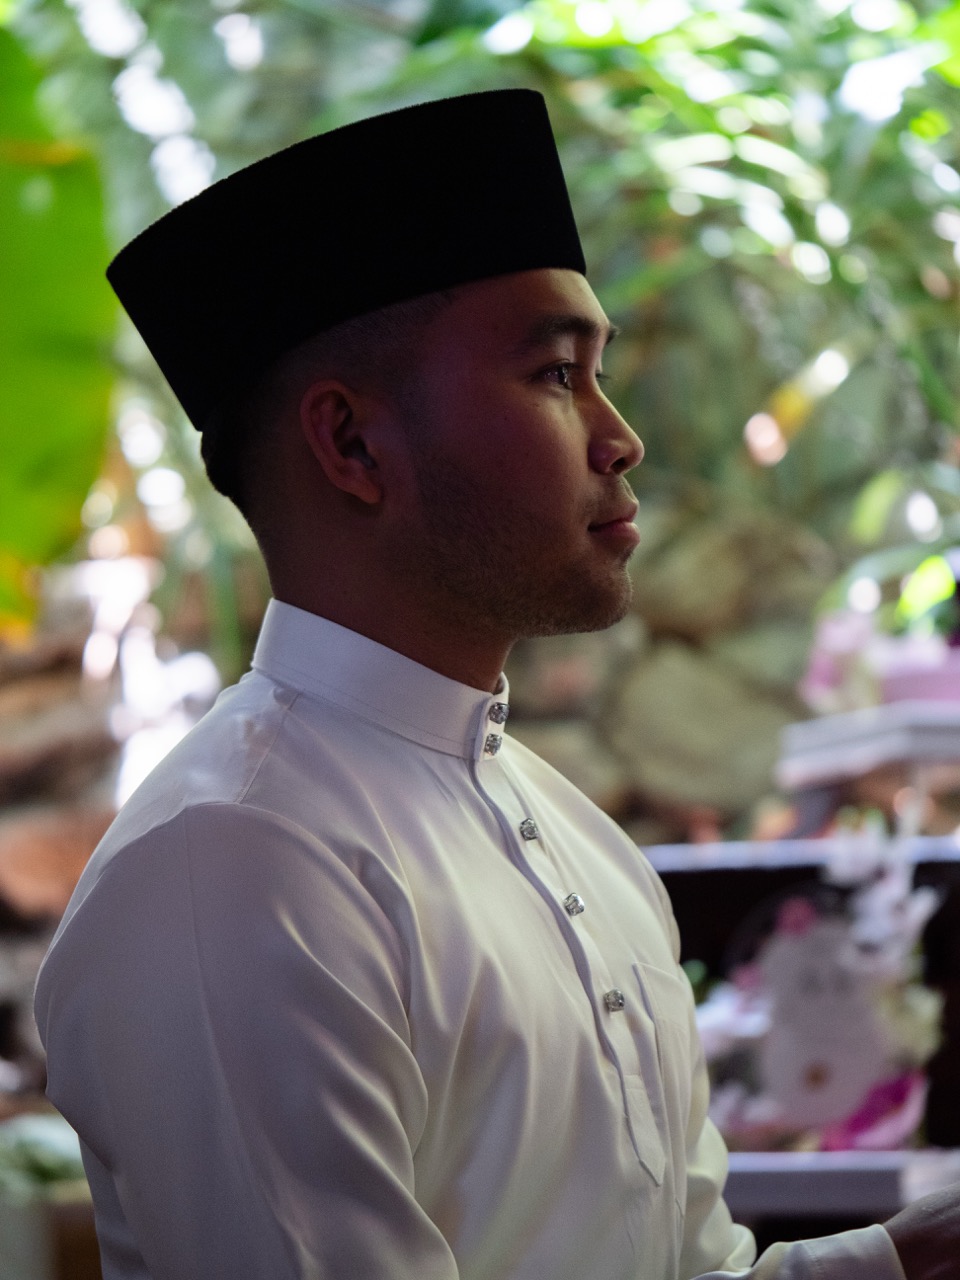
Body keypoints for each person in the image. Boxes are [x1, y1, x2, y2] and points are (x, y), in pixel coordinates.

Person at [34, 89, 960, 1280]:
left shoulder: (577, 836)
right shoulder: (234, 863)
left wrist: (902, 1259)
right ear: (353, 444)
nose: (619, 436)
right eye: (557, 373)